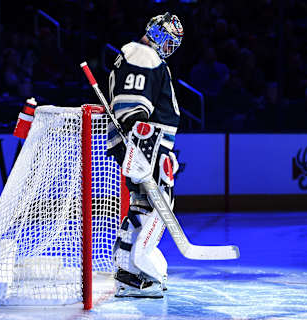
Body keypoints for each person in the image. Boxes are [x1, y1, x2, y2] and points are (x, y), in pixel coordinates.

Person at [107, 12, 183, 298]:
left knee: (142, 206)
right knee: (159, 204)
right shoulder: (142, 53)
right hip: (143, 140)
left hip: (143, 141)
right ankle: (136, 265)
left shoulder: (138, 54)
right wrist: (141, 142)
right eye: (169, 40)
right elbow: (131, 106)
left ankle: (127, 271)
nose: (169, 48)